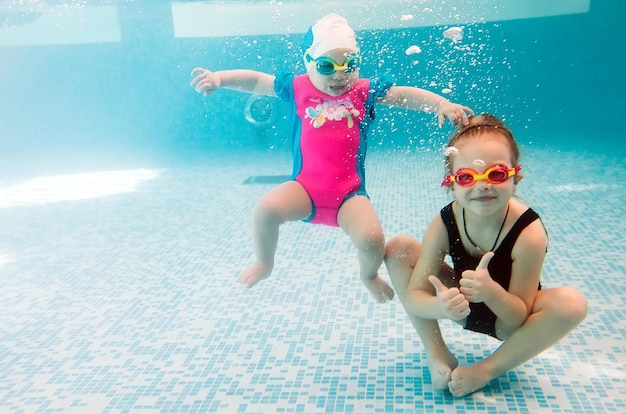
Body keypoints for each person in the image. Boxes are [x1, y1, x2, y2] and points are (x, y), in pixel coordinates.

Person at [190, 13, 473, 303]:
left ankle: (369, 275)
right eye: (327, 66)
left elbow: (403, 95)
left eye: (349, 65)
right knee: (265, 211)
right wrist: (220, 79)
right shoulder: (297, 88)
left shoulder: (363, 92)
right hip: (304, 189)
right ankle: (264, 263)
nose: (339, 75)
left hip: (349, 195)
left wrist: (441, 103)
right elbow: (256, 81)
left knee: (372, 238)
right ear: (308, 62)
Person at [384, 114, 587, 396]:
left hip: (506, 318)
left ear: (516, 178)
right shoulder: (445, 222)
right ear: (451, 184)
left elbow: (516, 319)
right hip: (459, 304)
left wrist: (490, 291)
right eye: (467, 177)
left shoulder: (529, 233)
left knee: (571, 304)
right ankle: (437, 353)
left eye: (496, 174)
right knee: (398, 248)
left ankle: (486, 370)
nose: (482, 185)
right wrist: (440, 308)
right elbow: (416, 297)